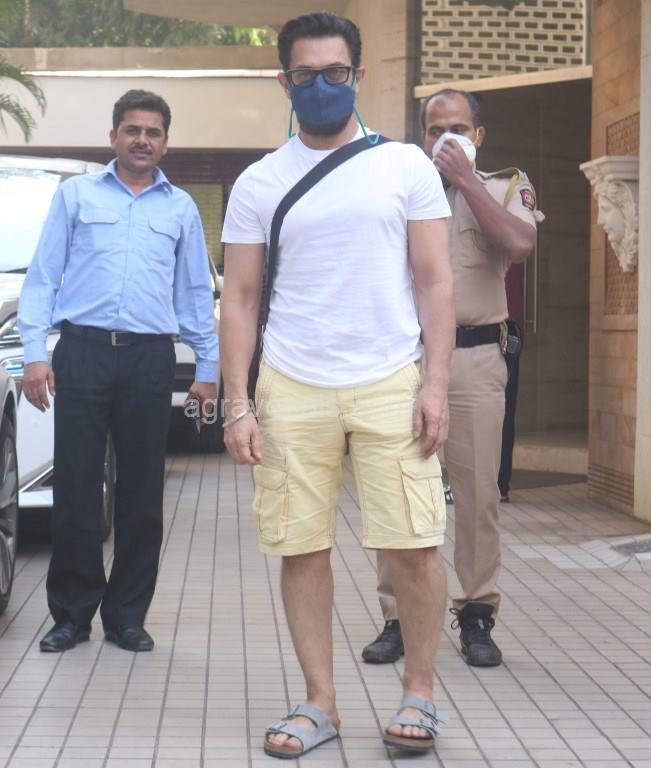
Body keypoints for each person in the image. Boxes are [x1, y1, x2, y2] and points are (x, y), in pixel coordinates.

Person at [220, 11, 453, 758]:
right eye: (305, 75)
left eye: (335, 73)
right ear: (283, 80)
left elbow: (435, 280)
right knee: (301, 547)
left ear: (358, 76)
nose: (321, 85)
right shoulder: (259, 181)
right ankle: (319, 703)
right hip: (292, 385)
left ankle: (419, 693)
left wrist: (436, 385)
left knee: (413, 544)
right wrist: (236, 404)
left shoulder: (406, 166)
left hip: (391, 381)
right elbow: (240, 299)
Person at [19, 89, 218, 654]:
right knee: (77, 486)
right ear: (113, 137)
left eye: (153, 132)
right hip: (81, 353)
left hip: (149, 359)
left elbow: (194, 292)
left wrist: (207, 368)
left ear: (165, 143)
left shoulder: (180, 208)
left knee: (142, 492)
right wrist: (35, 353)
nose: (142, 140)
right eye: (132, 130)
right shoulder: (76, 196)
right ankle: (71, 615)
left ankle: (127, 616)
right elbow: (43, 276)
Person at [363, 89, 543, 668]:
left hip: (474, 359)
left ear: (478, 135)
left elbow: (519, 243)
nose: (446, 137)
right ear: (421, 136)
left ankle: (476, 614)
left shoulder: (504, 186)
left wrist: (466, 180)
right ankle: (397, 616)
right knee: (398, 489)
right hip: (405, 361)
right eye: (435, 129)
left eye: (459, 128)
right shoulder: (397, 190)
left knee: (477, 494)